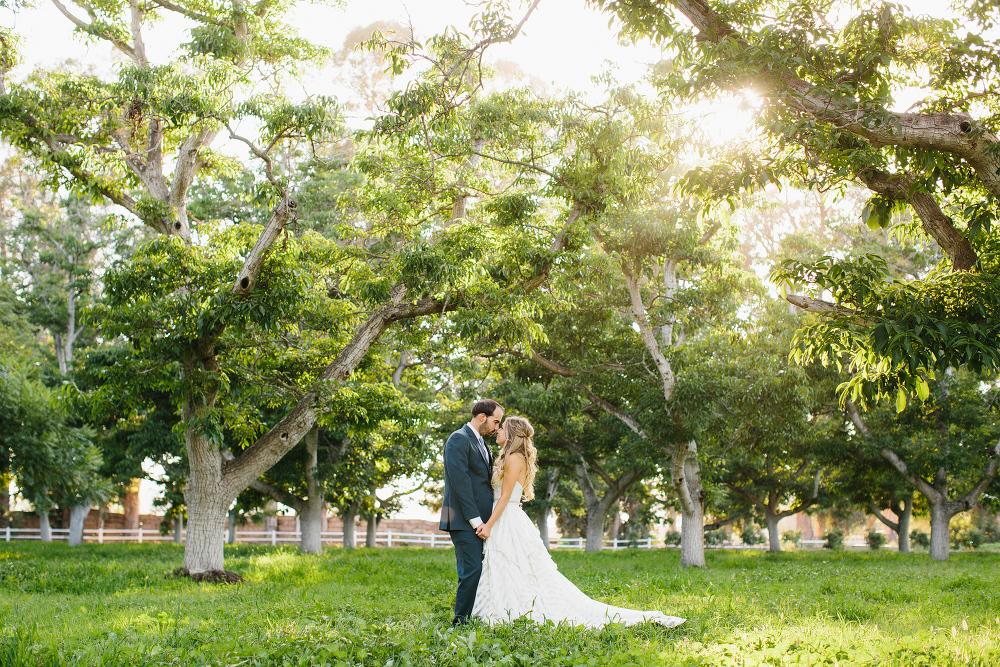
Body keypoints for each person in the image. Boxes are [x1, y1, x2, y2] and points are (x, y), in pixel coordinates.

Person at [472, 415, 685, 629]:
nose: (498, 430)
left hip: (505, 518)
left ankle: (511, 609)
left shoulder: (514, 458)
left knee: (511, 564)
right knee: (508, 565)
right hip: (507, 515)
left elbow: (506, 497)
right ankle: (504, 604)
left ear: (511, 434)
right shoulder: (512, 457)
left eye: (502, 428)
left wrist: (489, 525)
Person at [440, 398, 504, 625]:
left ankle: (476, 615)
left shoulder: (481, 443)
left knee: (478, 569)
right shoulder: (458, 439)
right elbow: (461, 484)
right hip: (463, 520)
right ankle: (460, 623)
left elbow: (483, 483)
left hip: (480, 520)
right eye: (496, 422)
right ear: (482, 417)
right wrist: (476, 521)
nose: (497, 428)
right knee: (470, 571)